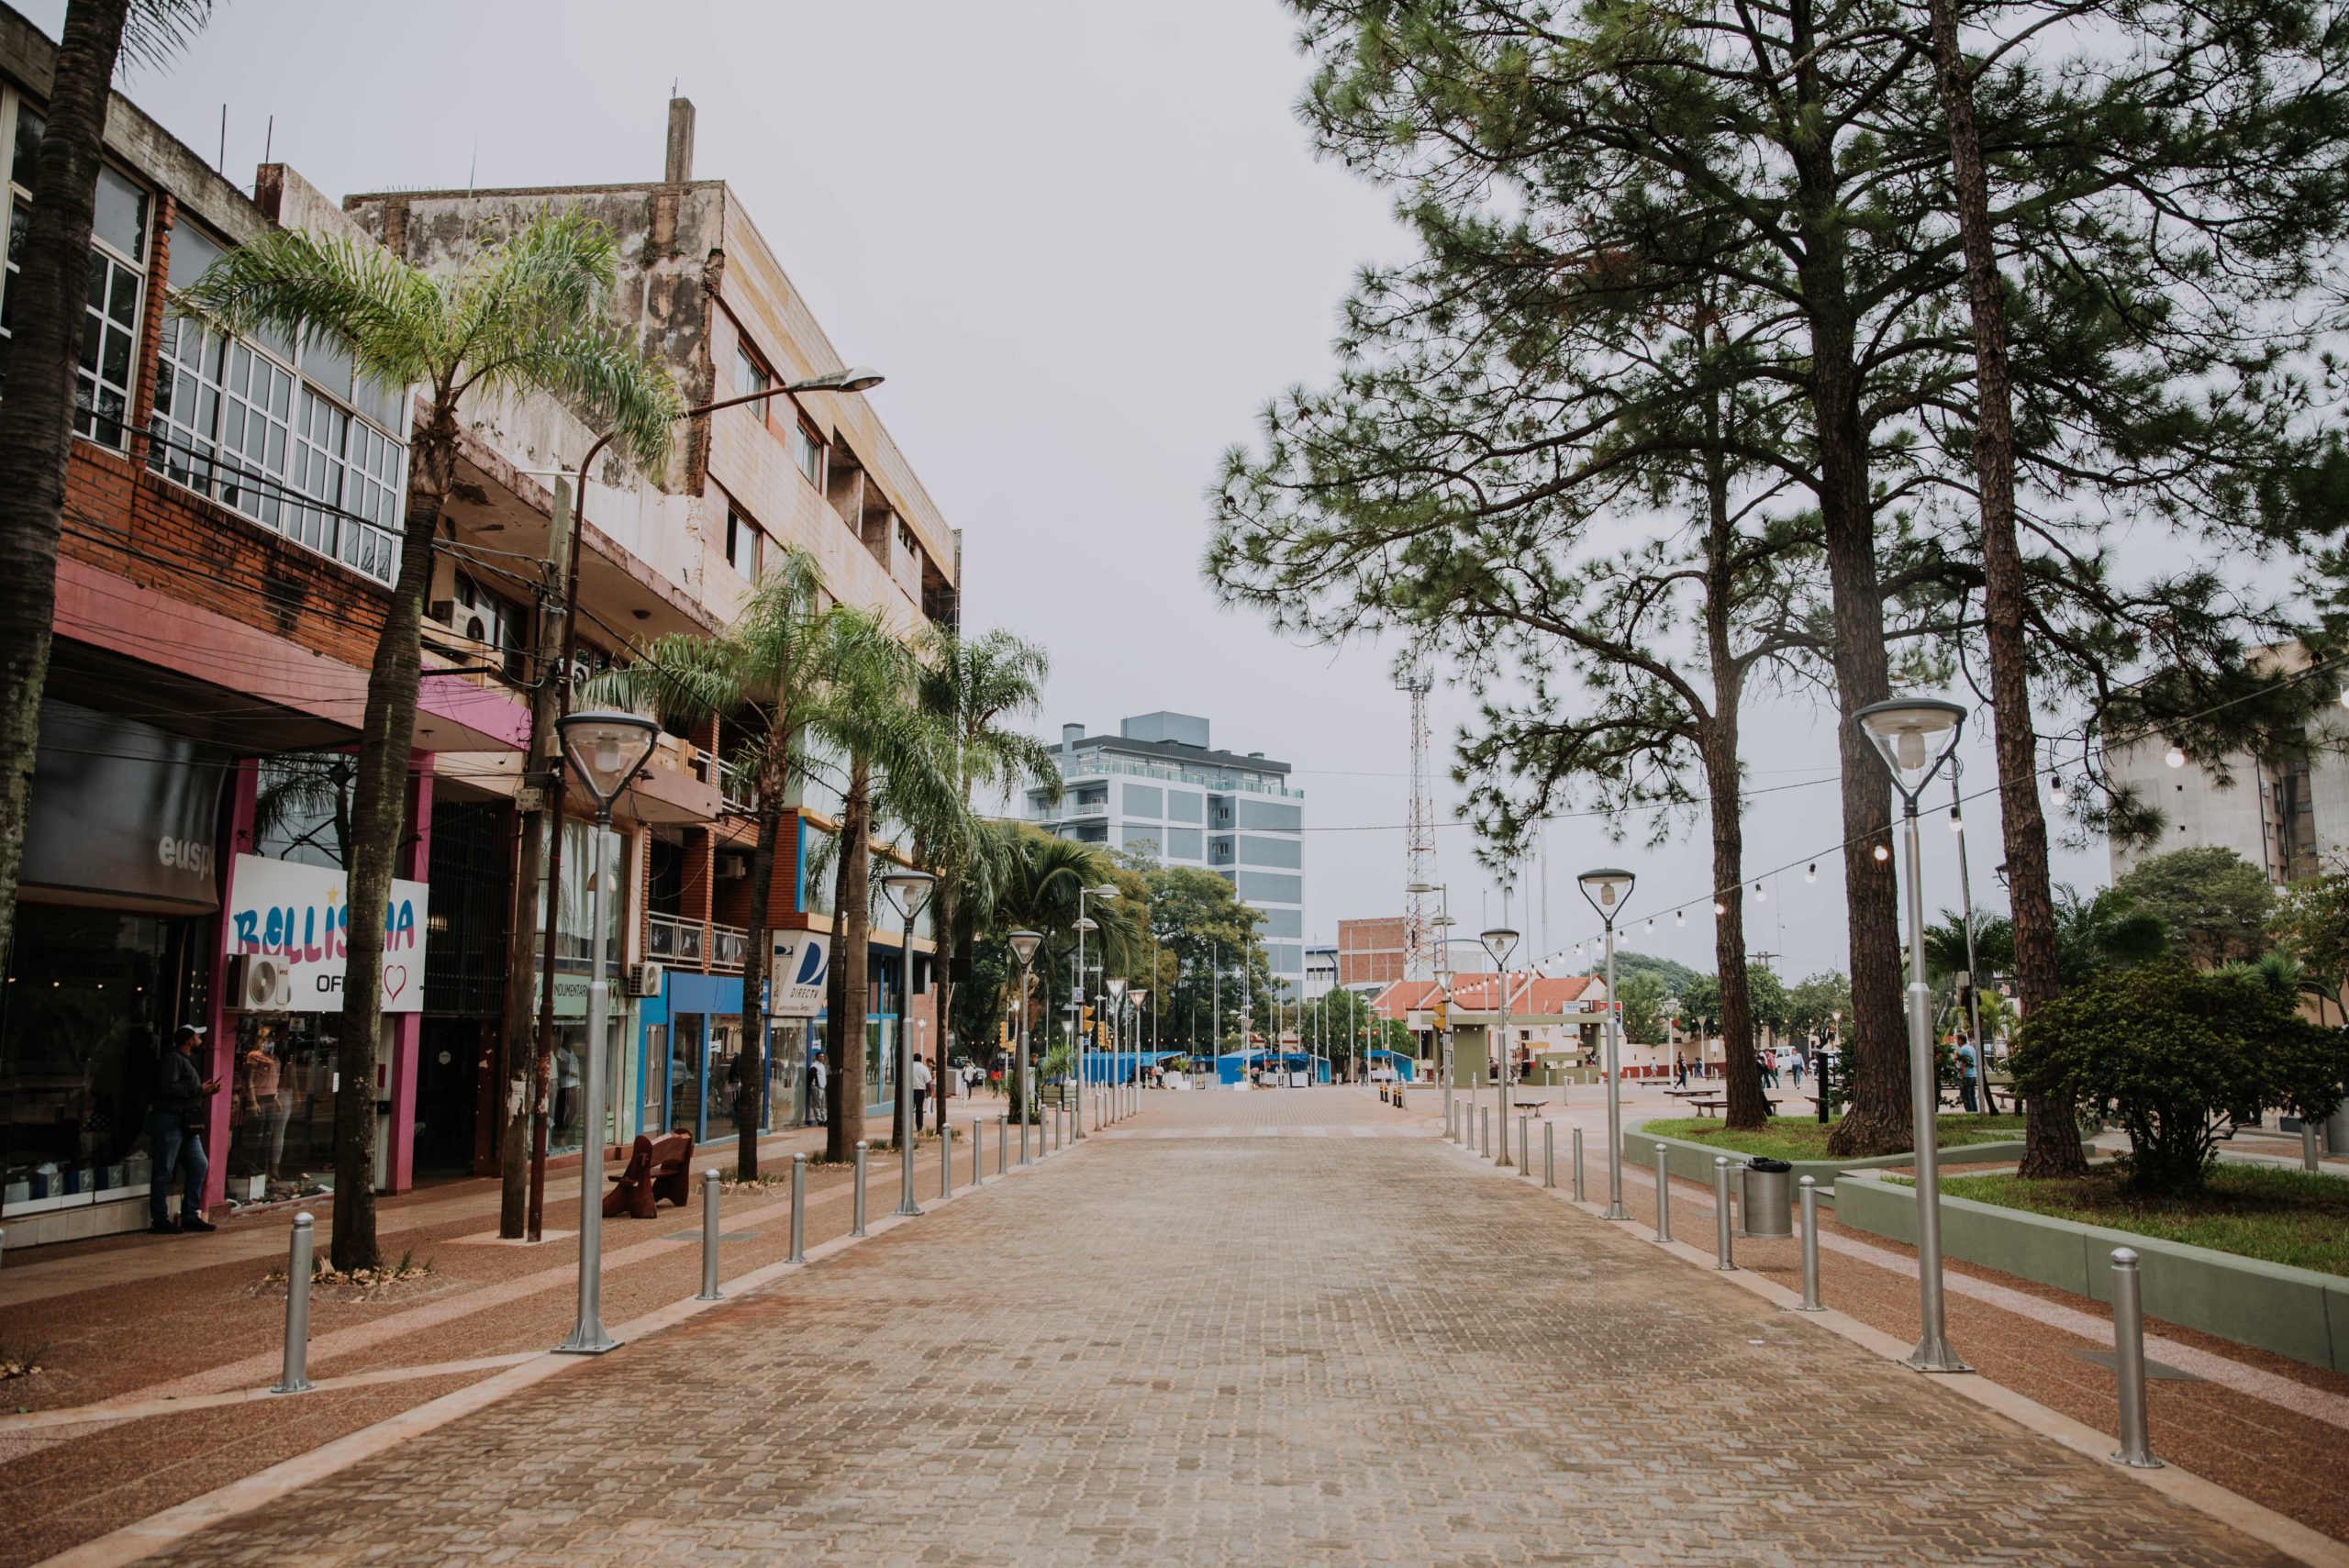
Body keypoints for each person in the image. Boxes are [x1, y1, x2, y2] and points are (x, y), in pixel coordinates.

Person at [148, 1024, 219, 1234]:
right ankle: (159, 1218)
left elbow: (184, 1092)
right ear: (189, 1039)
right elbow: (167, 1088)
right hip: (171, 1120)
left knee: (199, 1164)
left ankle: (190, 1214)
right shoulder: (173, 1059)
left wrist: (206, 1091)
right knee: (164, 1169)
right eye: (197, 1035)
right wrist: (198, 1089)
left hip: (186, 1123)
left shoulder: (185, 1060)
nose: (200, 1039)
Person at [1954, 1031, 1979, 1113]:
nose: (1956, 1042)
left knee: (1966, 1098)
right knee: (1972, 1097)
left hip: (1966, 1076)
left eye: (1956, 1040)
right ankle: (1975, 1112)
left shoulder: (1963, 1049)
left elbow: (1963, 1064)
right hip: (1972, 1075)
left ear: (1960, 1040)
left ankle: (1970, 1114)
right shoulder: (1971, 1048)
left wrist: (1960, 1077)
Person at [911, 1052, 933, 1133]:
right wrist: (930, 1091)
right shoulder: (924, 1068)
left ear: (913, 1059)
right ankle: (919, 1127)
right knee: (919, 1108)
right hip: (920, 1090)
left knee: (909, 1109)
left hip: (910, 1090)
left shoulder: (909, 1067)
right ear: (921, 1059)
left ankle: (908, 1125)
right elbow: (928, 1082)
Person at [807, 1046, 828, 1128]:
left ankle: (824, 1119)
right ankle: (819, 1120)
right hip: (817, 1087)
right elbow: (812, 1076)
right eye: (820, 1057)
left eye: (823, 1056)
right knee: (817, 1104)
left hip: (822, 1087)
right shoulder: (814, 1066)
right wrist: (815, 1085)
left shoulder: (822, 1065)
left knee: (823, 1104)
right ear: (816, 1057)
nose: (822, 1058)